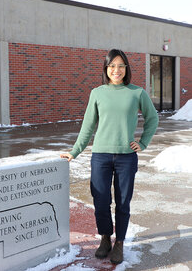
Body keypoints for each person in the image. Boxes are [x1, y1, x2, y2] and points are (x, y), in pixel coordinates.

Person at [60, 49, 158, 264]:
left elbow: (153, 119)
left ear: (126, 69)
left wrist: (142, 143)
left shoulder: (137, 92)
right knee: (101, 200)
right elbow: (87, 127)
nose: (116, 70)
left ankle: (119, 243)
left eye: (121, 65)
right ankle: (105, 238)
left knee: (123, 203)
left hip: (126, 158)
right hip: (101, 157)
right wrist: (74, 151)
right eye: (112, 65)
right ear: (106, 68)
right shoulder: (97, 93)